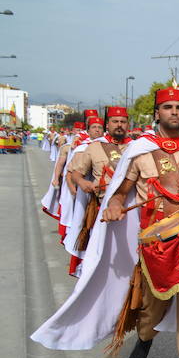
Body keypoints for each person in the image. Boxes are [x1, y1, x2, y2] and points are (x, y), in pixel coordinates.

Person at [32, 82, 179, 358]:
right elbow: (121, 191)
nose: (174, 113)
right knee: (152, 307)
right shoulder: (141, 150)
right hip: (156, 240)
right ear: (157, 113)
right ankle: (143, 344)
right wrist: (114, 204)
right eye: (168, 108)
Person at [66, 108, 132, 276]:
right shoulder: (94, 147)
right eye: (115, 121)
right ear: (107, 125)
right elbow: (75, 173)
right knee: (100, 255)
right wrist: (82, 183)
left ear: (128, 124)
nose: (119, 125)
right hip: (101, 209)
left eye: (123, 122)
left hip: (130, 210)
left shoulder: (137, 147)